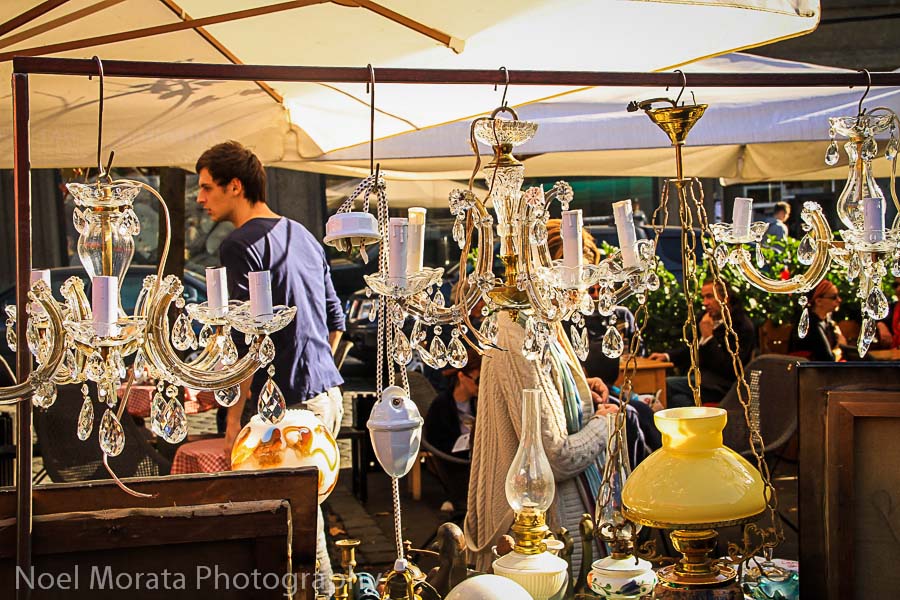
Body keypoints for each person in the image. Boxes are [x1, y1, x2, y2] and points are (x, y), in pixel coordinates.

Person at [195, 140, 345, 596]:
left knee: (297, 529)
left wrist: (236, 415)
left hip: (284, 408)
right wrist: (310, 364)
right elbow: (336, 322)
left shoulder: (240, 244)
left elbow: (246, 339)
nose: (200, 199)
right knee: (307, 519)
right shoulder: (303, 234)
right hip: (327, 396)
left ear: (234, 186)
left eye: (206, 188)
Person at [465, 220, 646, 574]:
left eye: (584, 275)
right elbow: (555, 456)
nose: (580, 290)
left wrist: (582, 394)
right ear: (540, 270)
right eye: (570, 275)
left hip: (561, 527)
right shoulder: (517, 331)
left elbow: (549, 395)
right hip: (534, 535)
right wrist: (607, 422)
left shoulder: (547, 323)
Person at [649, 279, 755, 407]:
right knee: (678, 399)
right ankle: (695, 421)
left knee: (666, 384)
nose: (705, 303)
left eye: (709, 297)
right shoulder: (704, 319)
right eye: (703, 297)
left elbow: (730, 368)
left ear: (724, 298)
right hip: (701, 380)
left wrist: (709, 339)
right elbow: (691, 348)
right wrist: (667, 356)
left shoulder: (741, 326)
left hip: (723, 386)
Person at [423, 349, 481, 513]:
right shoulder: (442, 404)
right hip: (455, 462)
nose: (480, 386)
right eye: (477, 380)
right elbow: (437, 441)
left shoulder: (477, 403)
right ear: (462, 376)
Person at [789, 279, 847, 361]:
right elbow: (828, 361)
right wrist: (840, 347)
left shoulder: (826, 320)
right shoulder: (811, 325)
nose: (839, 300)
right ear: (818, 301)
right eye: (834, 297)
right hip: (810, 373)